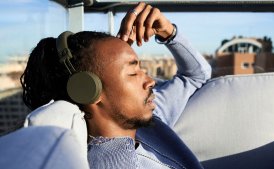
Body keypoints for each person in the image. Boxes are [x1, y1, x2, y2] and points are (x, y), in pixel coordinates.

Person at [21, 2, 211, 169]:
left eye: (141, 69)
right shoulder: (112, 162)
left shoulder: (144, 118)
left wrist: (168, 33)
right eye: (133, 73)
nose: (150, 81)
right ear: (88, 90)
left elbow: (197, 75)